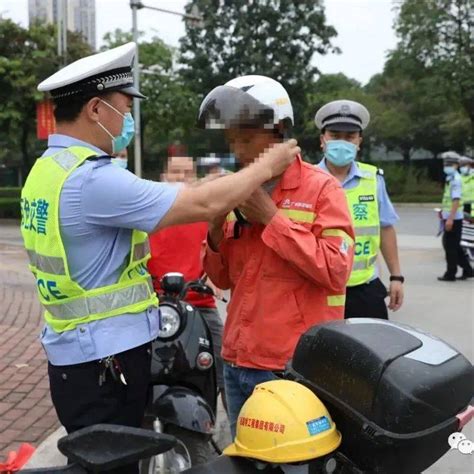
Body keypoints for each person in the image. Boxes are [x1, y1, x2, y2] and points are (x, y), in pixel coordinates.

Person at [20, 44, 299, 473]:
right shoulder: (92, 179)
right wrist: (265, 167)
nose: (128, 118)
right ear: (96, 109)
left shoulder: (48, 170)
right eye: (124, 107)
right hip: (105, 364)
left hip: (76, 355)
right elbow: (202, 203)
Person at [200, 75, 355, 437]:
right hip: (237, 358)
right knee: (246, 458)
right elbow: (221, 279)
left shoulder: (322, 190)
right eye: (232, 140)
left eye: (248, 138)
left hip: (288, 366)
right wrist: (213, 228)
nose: (239, 151)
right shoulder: (237, 189)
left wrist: (271, 218)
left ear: (280, 132)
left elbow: (335, 270)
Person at [315, 99, 404, 319]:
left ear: (359, 141)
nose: (342, 142)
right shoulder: (307, 179)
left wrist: (396, 277)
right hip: (318, 290)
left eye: (349, 137)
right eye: (335, 136)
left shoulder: (373, 179)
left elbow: (385, 229)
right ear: (322, 140)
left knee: (373, 351)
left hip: (365, 289)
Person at [148, 155, 226, 405]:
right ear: (163, 177)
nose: (181, 179)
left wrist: (215, 281)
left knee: (226, 359)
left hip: (200, 302)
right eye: (175, 172)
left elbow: (219, 254)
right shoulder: (147, 215)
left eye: (187, 173)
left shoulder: (206, 214)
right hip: (156, 305)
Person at [438, 151, 473, 280]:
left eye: (449, 164)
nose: (446, 166)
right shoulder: (450, 178)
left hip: (454, 218)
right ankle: (468, 270)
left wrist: (450, 219)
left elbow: (456, 200)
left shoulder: (456, 180)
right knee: (455, 246)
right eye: (445, 164)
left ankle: (450, 273)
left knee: (450, 247)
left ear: (456, 165)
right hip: (451, 217)